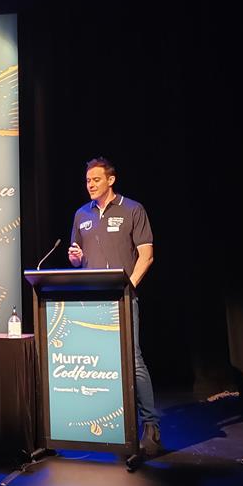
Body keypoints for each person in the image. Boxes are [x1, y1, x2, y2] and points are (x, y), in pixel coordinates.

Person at [66, 157, 161, 456]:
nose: (90, 185)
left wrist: (127, 288)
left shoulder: (133, 209)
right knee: (97, 363)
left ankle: (151, 426)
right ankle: (107, 423)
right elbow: (76, 257)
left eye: (96, 179)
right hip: (91, 299)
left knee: (132, 361)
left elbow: (146, 255)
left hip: (123, 297)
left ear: (111, 180)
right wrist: (75, 258)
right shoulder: (81, 214)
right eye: (87, 181)